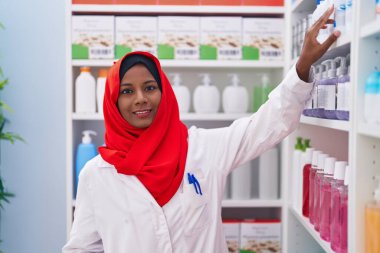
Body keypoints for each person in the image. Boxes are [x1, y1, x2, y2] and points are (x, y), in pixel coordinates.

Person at [63, 6, 339, 253]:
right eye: (126, 91)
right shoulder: (97, 175)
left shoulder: (202, 148)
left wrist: (302, 66)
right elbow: (82, 249)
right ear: (113, 101)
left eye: (150, 87)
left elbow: (265, 125)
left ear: (165, 92)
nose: (140, 98)